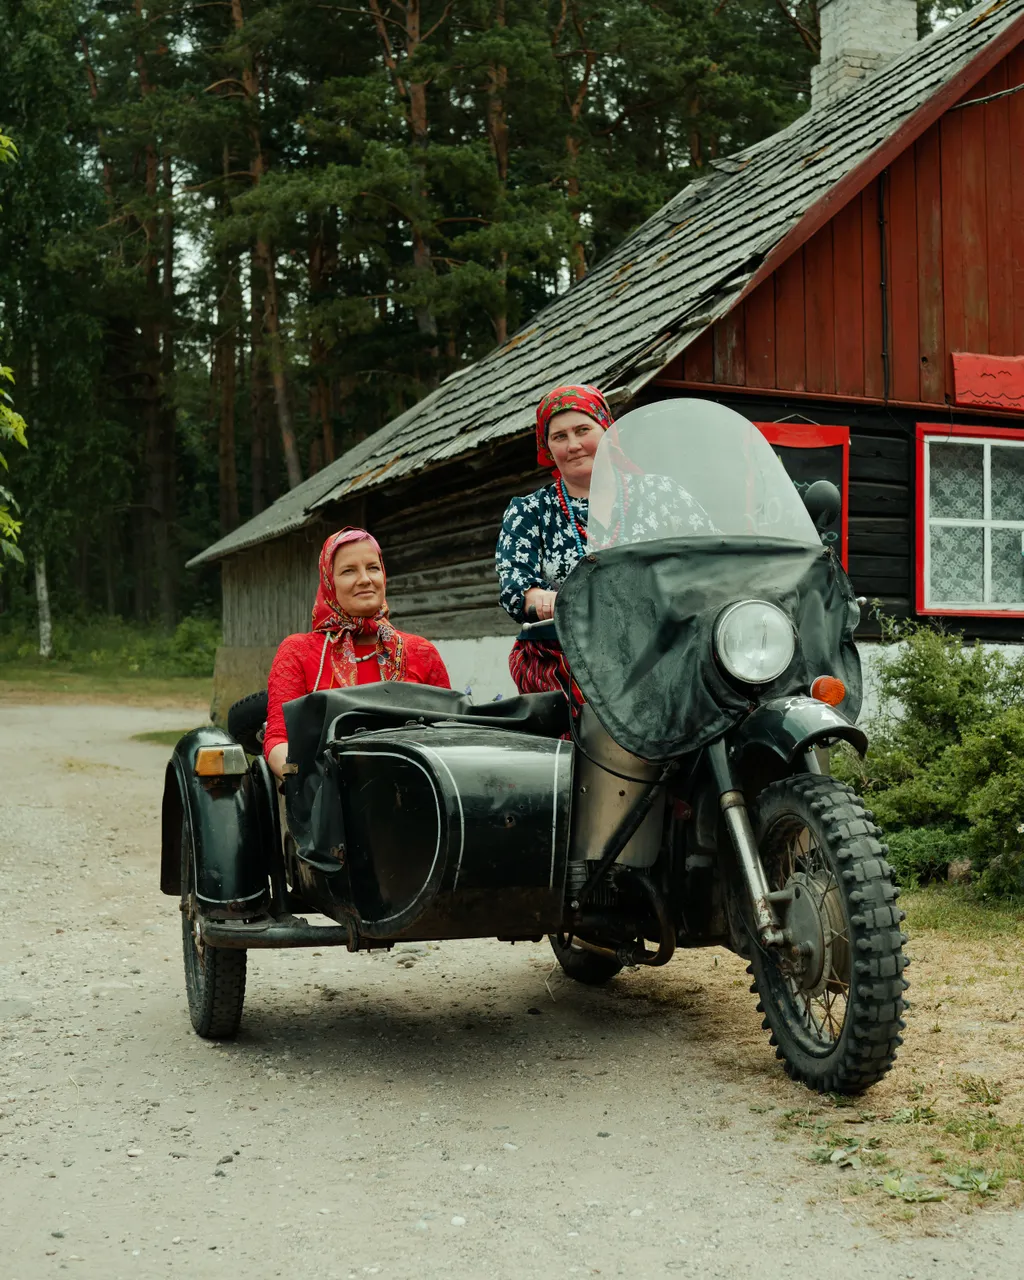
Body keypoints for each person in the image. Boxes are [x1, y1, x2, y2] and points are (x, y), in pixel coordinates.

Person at [264, 528, 451, 777]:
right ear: (329, 582)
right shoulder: (299, 651)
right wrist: (300, 778)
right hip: (329, 798)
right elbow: (278, 739)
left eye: (372, 568)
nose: (365, 579)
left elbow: (449, 733)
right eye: (348, 571)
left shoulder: (420, 652)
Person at [495, 384, 614, 695]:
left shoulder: (658, 496)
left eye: (583, 429)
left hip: (657, 651)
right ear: (547, 448)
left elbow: (702, 557)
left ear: (607, 430)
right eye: (560, 436)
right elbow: (516, 588)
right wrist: (550, 601)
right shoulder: (529, 511)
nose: (573, 444)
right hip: (564, 663)